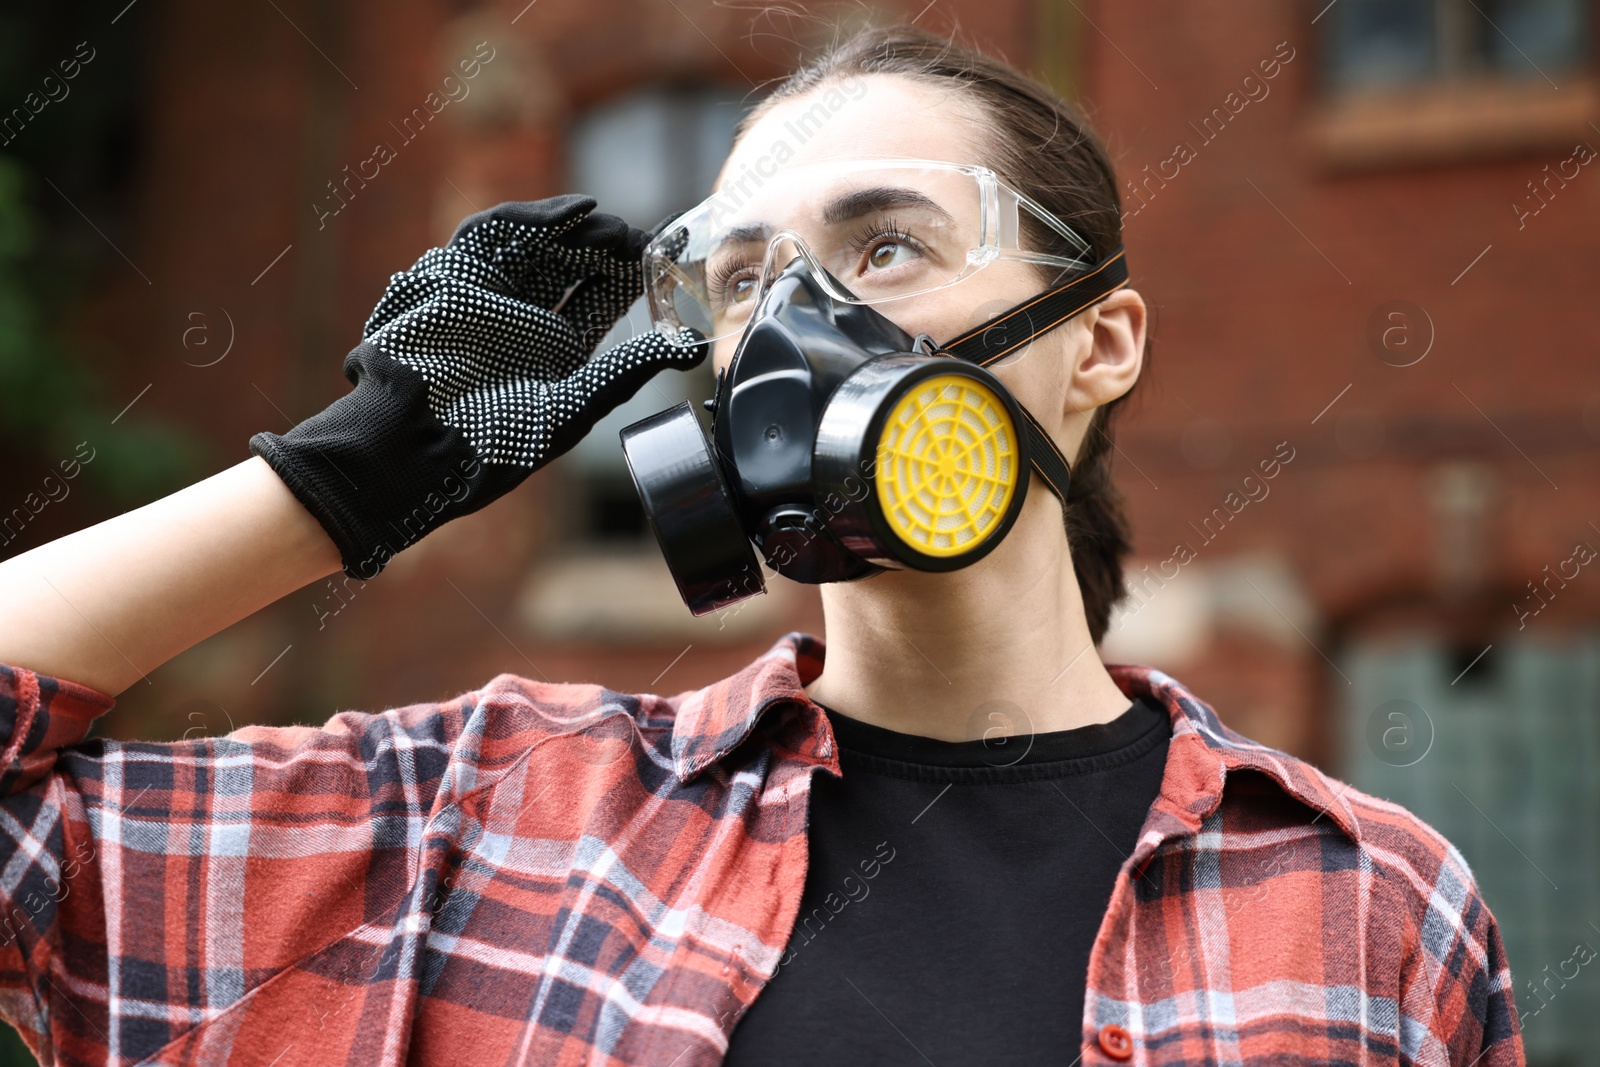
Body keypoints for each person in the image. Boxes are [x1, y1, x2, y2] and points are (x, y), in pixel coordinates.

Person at [0, 24, 1523, 1067]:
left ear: (1101, 341)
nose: (796, 331)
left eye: (887, 248)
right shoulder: (489, 823)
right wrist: (336, 484)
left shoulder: (1370, 904)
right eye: (743, 280)